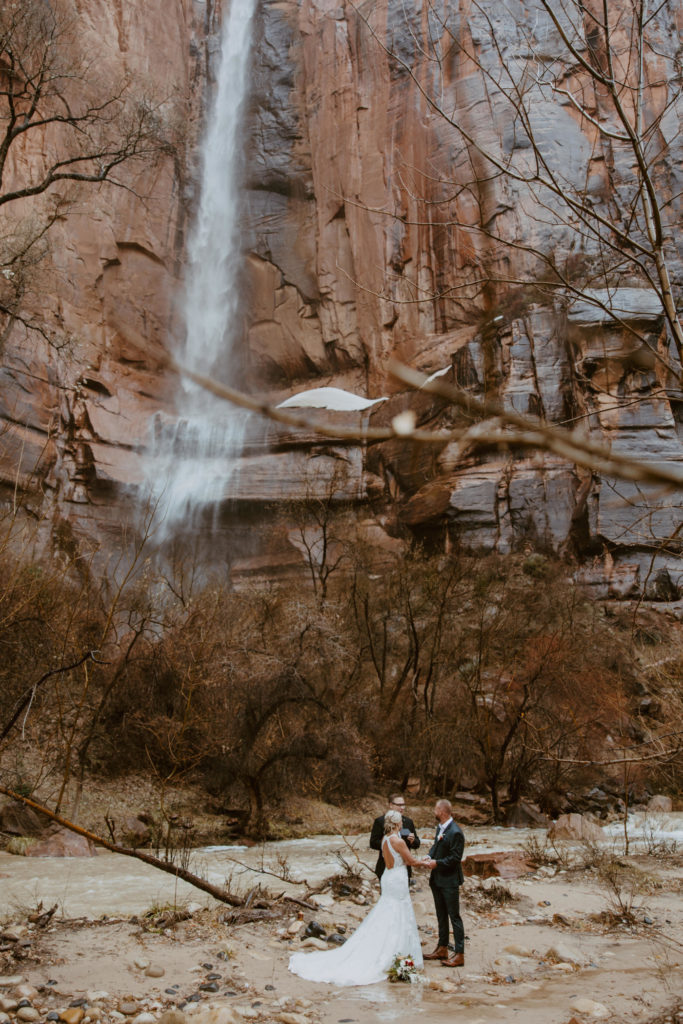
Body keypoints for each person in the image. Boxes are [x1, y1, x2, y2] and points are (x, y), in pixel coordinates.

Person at [289, 810, 426, 986]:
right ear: (399, 824)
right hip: (398, 879)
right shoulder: (398, 841)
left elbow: (389, 861)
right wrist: (427, 862)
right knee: (399, 914)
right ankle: (395, 953)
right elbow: (411, 861)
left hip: (388, 876)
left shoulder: (385, 839)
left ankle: (390, 951)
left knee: (388, 912)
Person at [423, 798, 466, 967]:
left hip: (449, 881)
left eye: (435, 809)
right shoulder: (441, 828)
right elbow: (436, 846)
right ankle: (442, 948)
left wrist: (437, 863)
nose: (434, 811)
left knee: (454, 916)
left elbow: (456, 859)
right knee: (441, 915)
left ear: (442, 811)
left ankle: (460, 954)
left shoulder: (456, 832)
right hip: (437, 879)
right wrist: (429, 856)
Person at [370, 794, 420, 879]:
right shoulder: (380, 821)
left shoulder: (408, 822)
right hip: (385, 867)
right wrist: (391, 845)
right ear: (391, 805)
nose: (402, 807)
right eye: (399, 805)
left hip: (404, 869)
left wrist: (413, 841)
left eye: (403, 805)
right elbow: (373, 843)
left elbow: (417, 844)